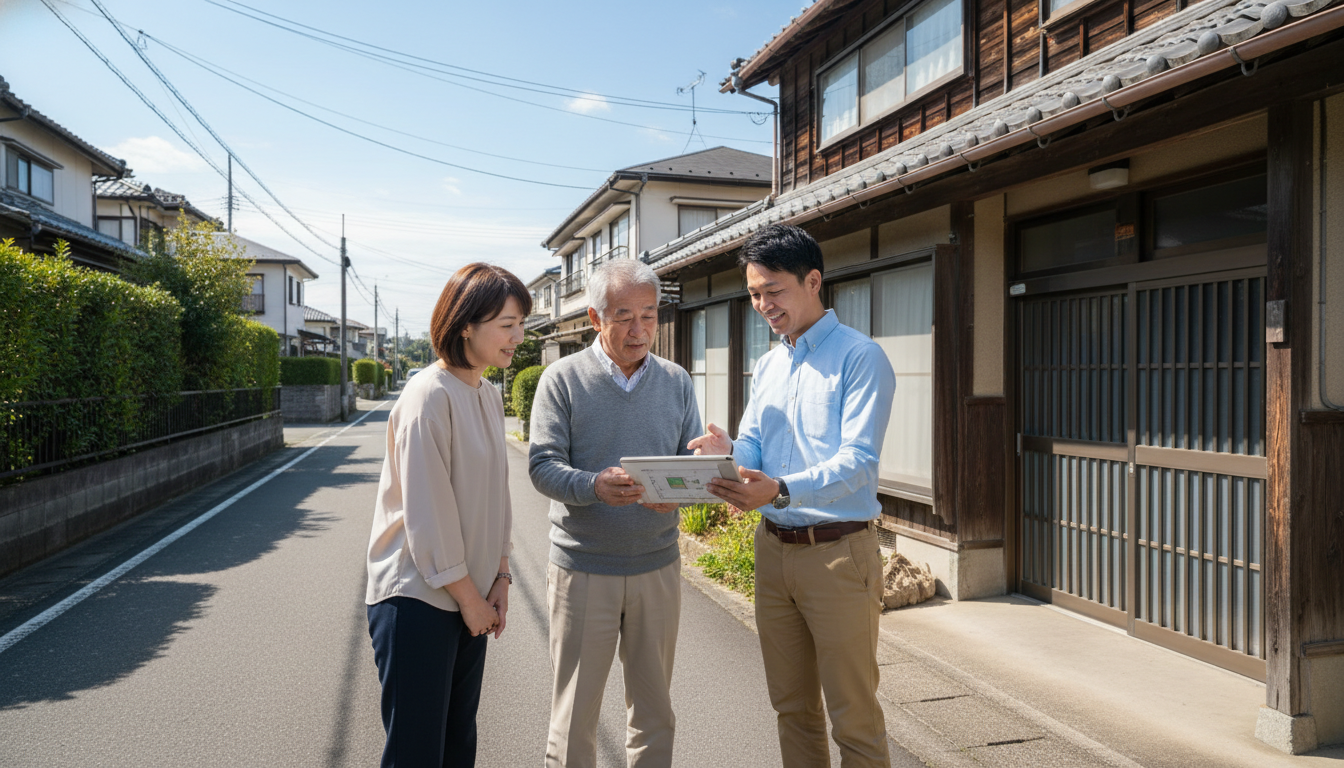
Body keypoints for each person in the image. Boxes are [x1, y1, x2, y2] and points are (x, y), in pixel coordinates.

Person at [689, 224, 897, 768]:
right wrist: (729, 452)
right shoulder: (770, 364)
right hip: (773, 550)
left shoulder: (860, 357)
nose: (763, 305)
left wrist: (780, 489)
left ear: (813, 281)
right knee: (792, 707)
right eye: (754, 294)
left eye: (773, 290)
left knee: (854, 717)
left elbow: (859, 461)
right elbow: (756, 441)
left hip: (839, 554)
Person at [528, 258, 703, 768]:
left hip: (657, 564)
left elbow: (691, 462)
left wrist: (680, 490)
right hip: (583, 567)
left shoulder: (676, 381)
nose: (638, 329)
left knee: (654, 711)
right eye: (624, 316)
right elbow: (542, 466)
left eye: (649, 315)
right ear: (594, 318)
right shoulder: (562, 379)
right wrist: (593, 486)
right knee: (575, 715)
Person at [365, 262, 529, 768]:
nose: (519, 337)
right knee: (416, 753)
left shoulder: (487, 393)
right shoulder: (428, 396)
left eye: (521, 324)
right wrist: (470, 599)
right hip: (418, 598)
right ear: (465, 326)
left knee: (458, 746)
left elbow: (496, 497)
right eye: (507, 325)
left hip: (467, 595)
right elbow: (428, 513)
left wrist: (501, 575)